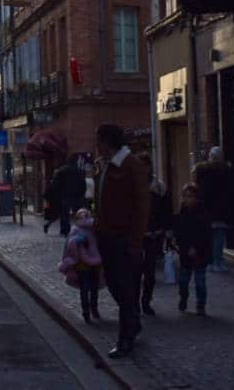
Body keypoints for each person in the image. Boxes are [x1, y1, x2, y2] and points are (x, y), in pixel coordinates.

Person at [94, 124, 149, 359]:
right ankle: (133, 322)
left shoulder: (131, 165)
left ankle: (125, 338)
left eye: (99, 141)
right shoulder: (107, 165)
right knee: (116, 286)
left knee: (125, 290)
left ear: (108, 142)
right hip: (107, 237)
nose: (96, 146)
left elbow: (142, 205)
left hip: (123, 238)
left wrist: (135, 240)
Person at [134, 156, 171, 316]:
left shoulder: (158, 187)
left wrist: (165, 228)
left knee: (149, 272)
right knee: (134, 272)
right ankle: (134, 303)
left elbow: (165, 209)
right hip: (135, 235)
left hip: (153, 234)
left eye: (146, 166)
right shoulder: (131, 186)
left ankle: (145, 301)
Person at [194, 146, 234, 272]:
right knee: (218, 235)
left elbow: (200, 189)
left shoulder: (202, 170)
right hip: (220, 207)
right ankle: (217, 261)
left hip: (209, 207)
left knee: (212, 236)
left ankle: (212, 261)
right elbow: (230, 190)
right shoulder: (225, 170)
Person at [58, 208, 104, 323]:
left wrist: (67, 260)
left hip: (83, 265)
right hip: (86, 264)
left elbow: (68, 248)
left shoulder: (80, 229)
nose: (85, 218)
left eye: (86, 215)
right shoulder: (93, 229)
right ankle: (90, 310)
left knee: (88, 288)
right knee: (91, 288)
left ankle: (89, 310)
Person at [173, 183, 211, 316]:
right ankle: (183, 298)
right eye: (185, 196)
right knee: (183, 281)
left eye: (190, 196)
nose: (186, 199)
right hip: (185, 254)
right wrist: (182, 246)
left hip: (201, 253)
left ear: (196, 198)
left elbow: (205, 234)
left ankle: (201, 304)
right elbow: (179, 233)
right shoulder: (181, 214)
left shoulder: (204, 214)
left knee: (200, 281)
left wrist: (196, 248)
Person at [51, 155, 87, 235]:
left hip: (65, 195)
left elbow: (56, 184)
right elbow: (83, 184)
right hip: (77, 196)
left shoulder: (62, 170)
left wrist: (58, 193)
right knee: (79, 213)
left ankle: (65, 230)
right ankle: (80, 229)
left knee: (64, 214)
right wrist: (82, 194)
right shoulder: (80, 171)